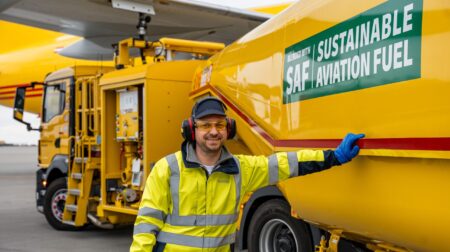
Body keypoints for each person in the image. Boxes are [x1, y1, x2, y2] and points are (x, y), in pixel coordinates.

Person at [130, 97, 364, 252]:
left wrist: (335, 156)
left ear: (228, 130)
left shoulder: (240, 169)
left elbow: (286, 163)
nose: (214, 131)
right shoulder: (167, 169)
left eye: (220, 125)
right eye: (205, 125)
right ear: (192, 129)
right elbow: (146, 225)